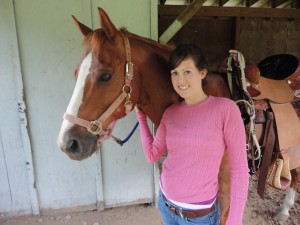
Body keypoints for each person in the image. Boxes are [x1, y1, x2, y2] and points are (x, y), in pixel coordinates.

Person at [135, 44, 249, 225]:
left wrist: (234, 220)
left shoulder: (226, 109)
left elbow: (240, 171)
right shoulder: (170, 113)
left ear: (202, 73)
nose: (180, 80)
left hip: (199, 217)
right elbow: (152, 154)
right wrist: (141, 116)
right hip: (166, 205)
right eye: (175, 73)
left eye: (187, 72)